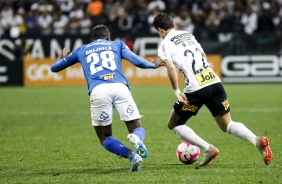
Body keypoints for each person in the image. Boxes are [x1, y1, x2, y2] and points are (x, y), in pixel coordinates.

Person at [152, 12, 272, 167]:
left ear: (160, 29)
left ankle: (208, 149)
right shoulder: (188, 35)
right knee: (226, 124)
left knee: (173, 124)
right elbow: (202, 55)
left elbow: (170, 67)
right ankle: (256, 140)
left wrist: (176, 90)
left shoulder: (164, 44)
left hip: (196, 88)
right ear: (173, 25)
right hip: (214, 82)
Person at [50, 24, 165, 172]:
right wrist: (153, 65)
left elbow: (54, 68)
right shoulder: (117, 45)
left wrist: (60, 58)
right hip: (120, 87)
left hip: (98, 91)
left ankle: (131, 156)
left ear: (92, 39)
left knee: (105, 138)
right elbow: (138, 61)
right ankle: (137, 138)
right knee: (137, 127)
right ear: (108, 38)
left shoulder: (82, 50)